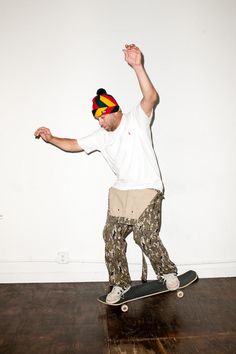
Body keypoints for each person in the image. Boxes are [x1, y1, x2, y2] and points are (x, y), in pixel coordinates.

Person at [34, 43, 180, 304]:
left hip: (147, 189)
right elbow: (74, 145)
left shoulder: (137, 118)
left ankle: (167, 272)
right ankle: (120, 285)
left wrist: (137, 66)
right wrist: (51, 138)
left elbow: (151, 97)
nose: (99, 123)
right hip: (121, 193)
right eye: (97, 119)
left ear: (113, 110)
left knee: (144, 235)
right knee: (111, 236)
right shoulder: (101, 136)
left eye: (102, 117)